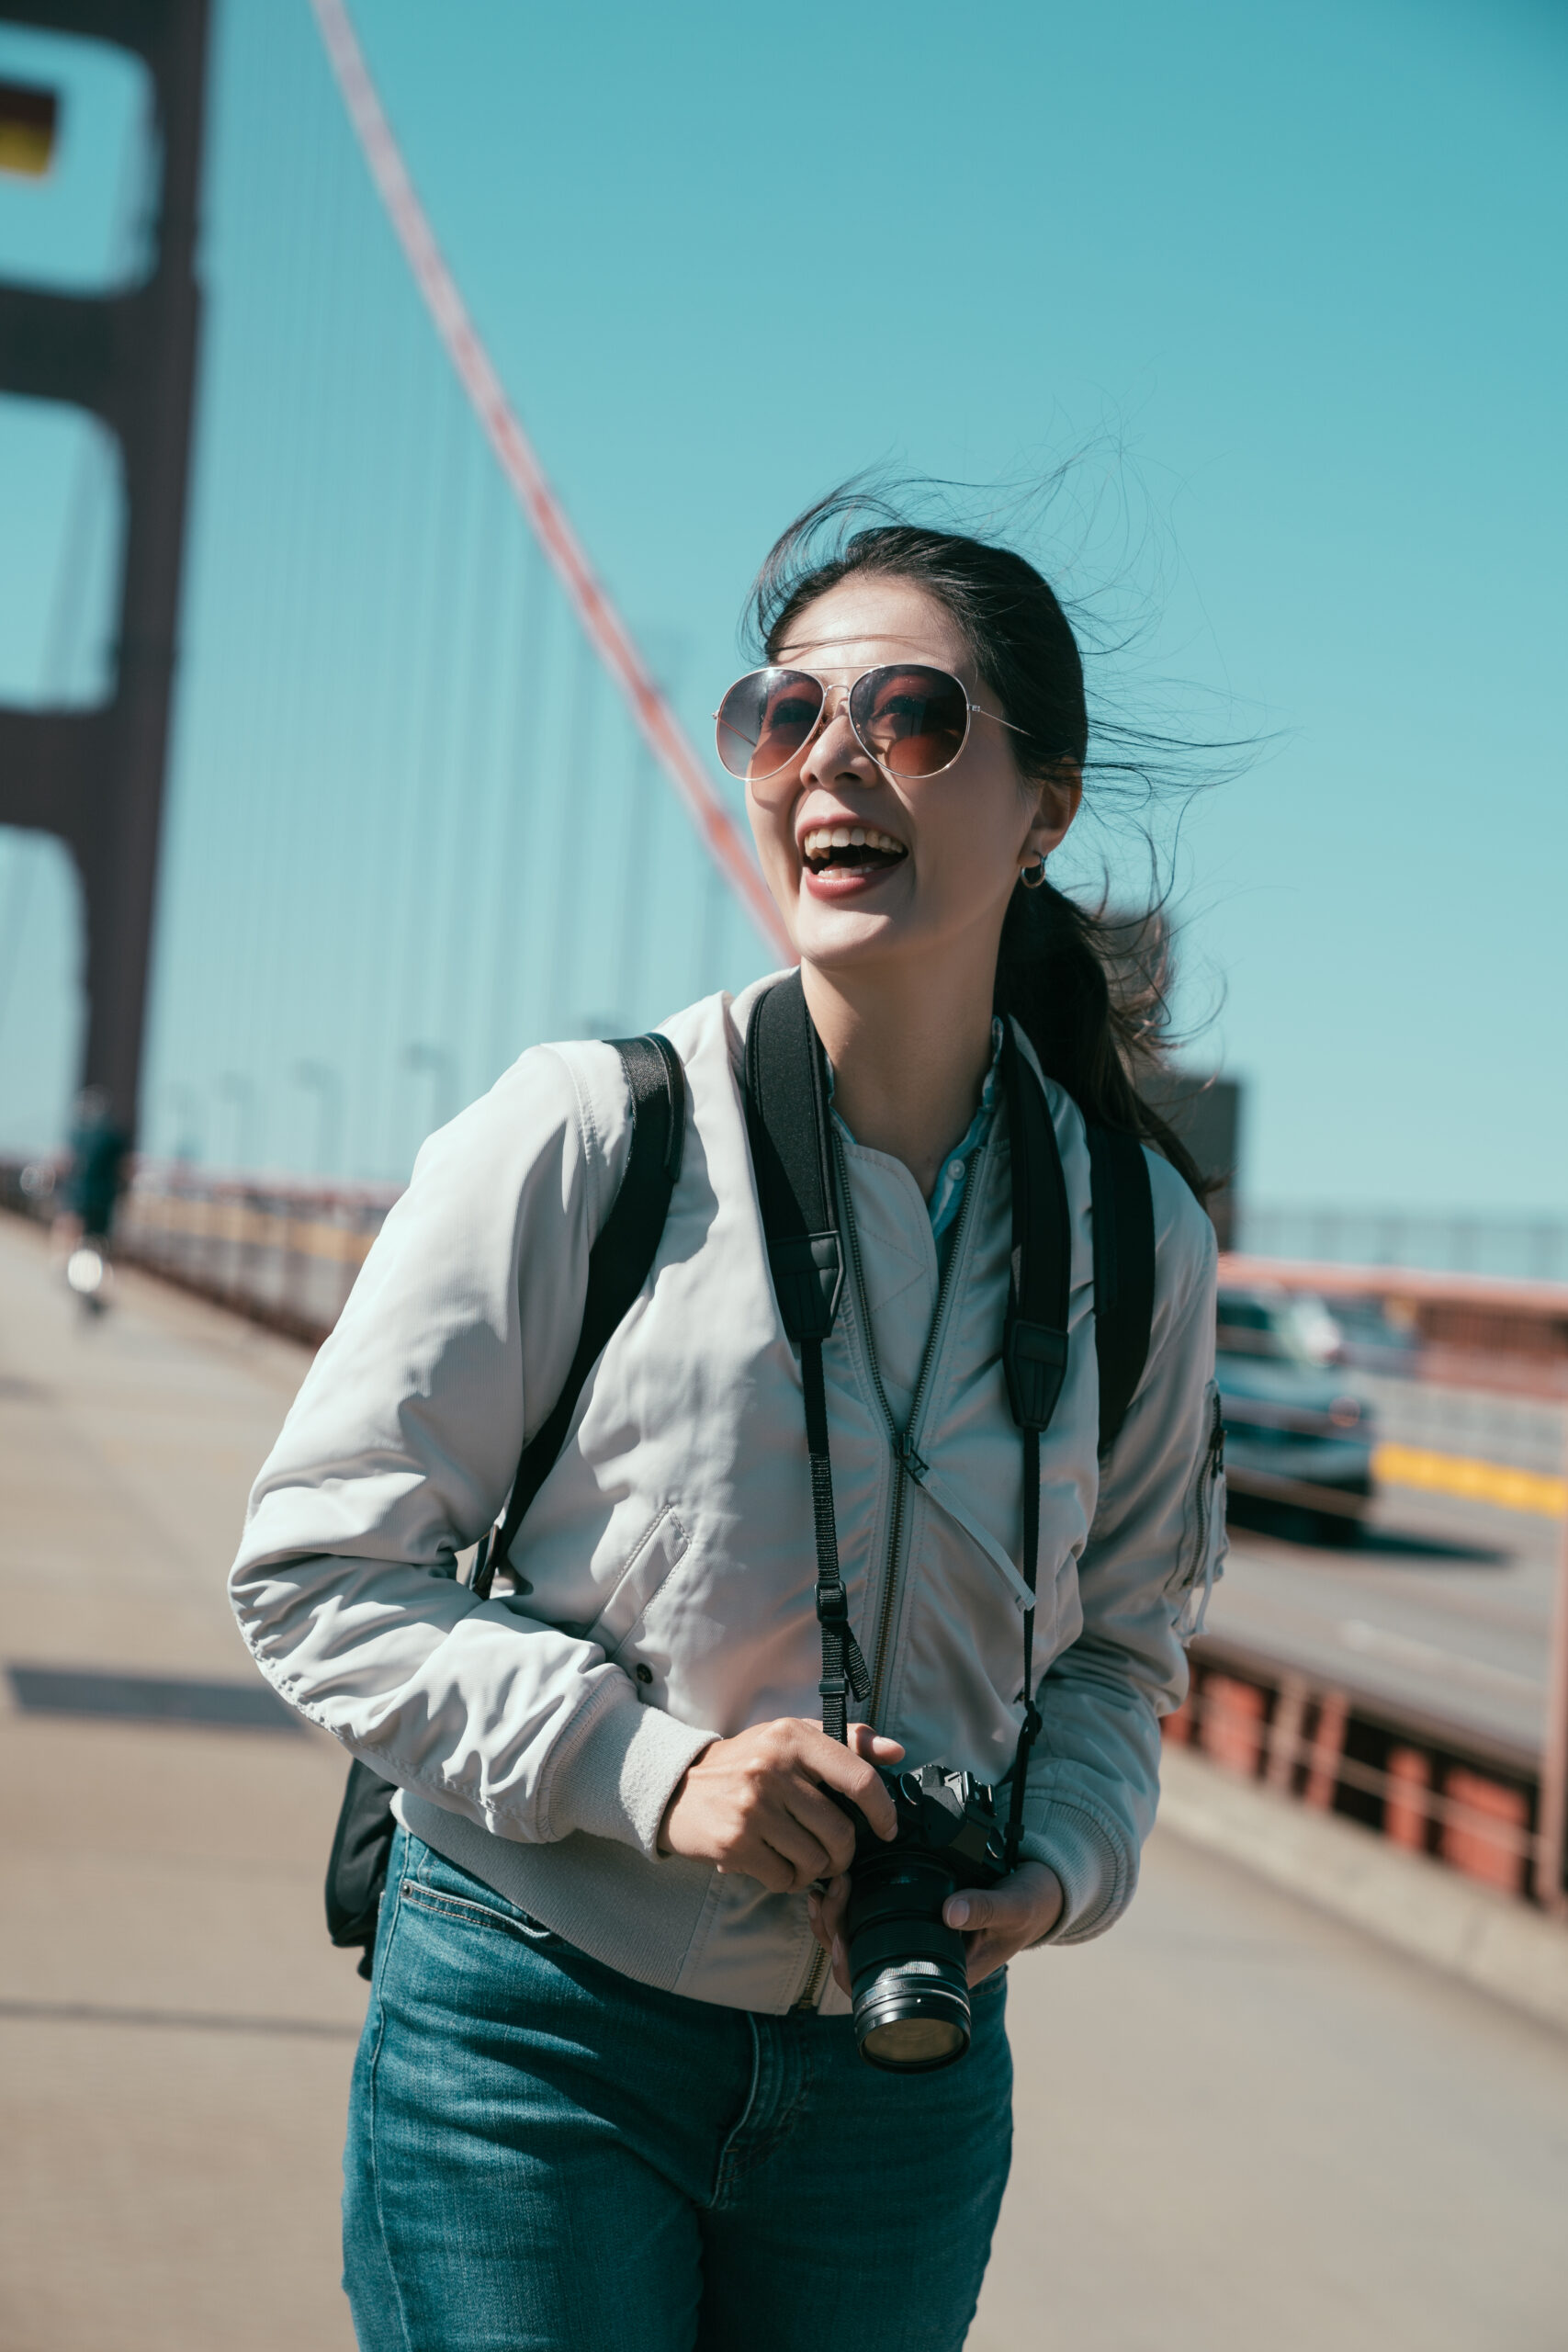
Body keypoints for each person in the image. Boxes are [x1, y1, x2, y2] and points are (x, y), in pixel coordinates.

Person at [231, 499, 1225, 2352]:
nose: (830, 759)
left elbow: (1116, 1640)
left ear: (1044, 802)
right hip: (535, 2032)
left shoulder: (1132, 1237)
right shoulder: (588, 1136)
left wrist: (1060, 1856)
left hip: (900, 2071)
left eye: (909, 715)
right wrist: (659, 1773)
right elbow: (313, 1570)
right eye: (785, 714)